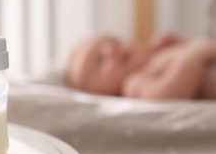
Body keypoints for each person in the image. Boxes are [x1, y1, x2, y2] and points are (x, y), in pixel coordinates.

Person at [66, 32, 216, 100]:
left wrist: (180, 45)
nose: (112, 50)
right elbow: (165, 94)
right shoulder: (133, 84)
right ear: (100, 94)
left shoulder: (153, 59)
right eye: (100, 60)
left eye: (115, 41)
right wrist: (193, 55)